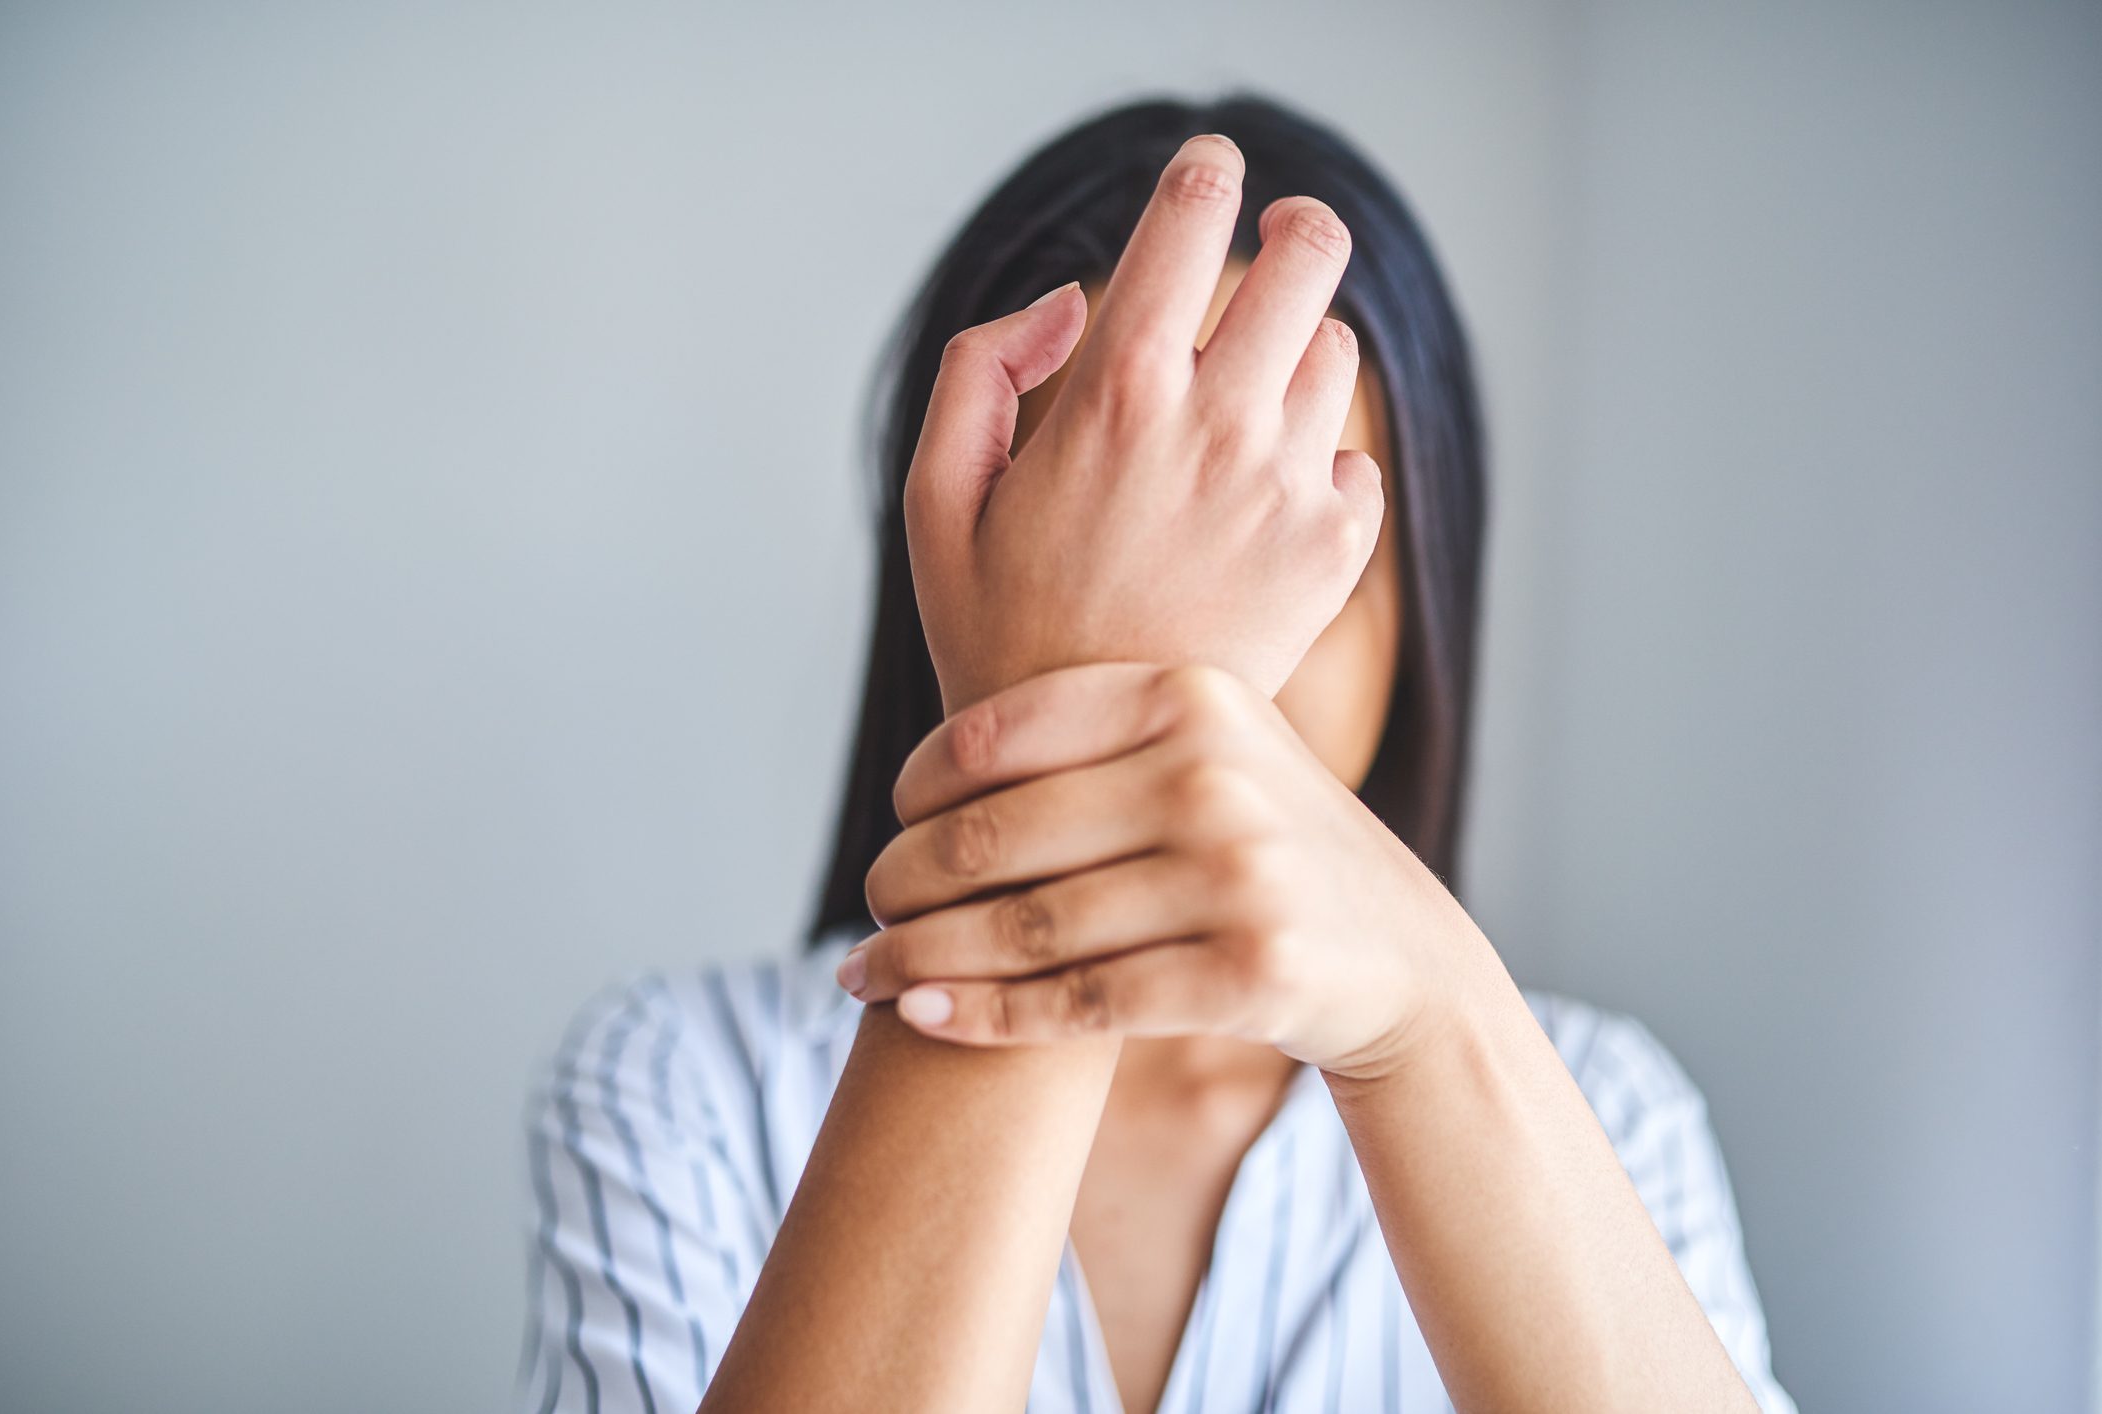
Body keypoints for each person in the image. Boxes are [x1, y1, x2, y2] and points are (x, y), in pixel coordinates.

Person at [514, 93, 1794, 1414]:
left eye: (1281, 556)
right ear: (945, 579)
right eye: (1103, 560)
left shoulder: (1609, 1120)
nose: (1193, 691)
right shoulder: (682, 1085)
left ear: (1421, 616)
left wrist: (1428, 1019)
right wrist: (1033, 891)